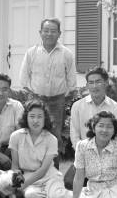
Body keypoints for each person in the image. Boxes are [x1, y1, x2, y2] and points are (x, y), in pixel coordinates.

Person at [19, 18, 76, 154]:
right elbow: (23, 77)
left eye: (53, 31)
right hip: (36, 99)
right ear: (40, 32)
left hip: (57, 100)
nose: (49, 34)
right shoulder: (31, 52)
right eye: (46, 31)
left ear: (59, 33)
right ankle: (32, 164)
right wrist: (32, 95)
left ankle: (54, 168)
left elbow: (72, 79)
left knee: (54, 135)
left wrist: (66, 95)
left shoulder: (66, 53)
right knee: (34, 131)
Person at [64, 67, 117, 189]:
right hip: (84, 156)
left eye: (98, 81)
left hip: (107, 158)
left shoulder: (116, 108)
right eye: (91, 82)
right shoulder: (77, 106)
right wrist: (83, 156)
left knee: (110, 185)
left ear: (106, 83)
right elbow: (74, 135)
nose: (94, 86)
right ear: (87, 85)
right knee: (69, 183)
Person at [8, 99, 72, 198]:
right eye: (32, 116)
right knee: (30, 196)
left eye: (39, 117)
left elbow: (43, 170)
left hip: (49, 176)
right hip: (27, 176)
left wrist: (23, 186)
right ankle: (51, 196)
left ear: (45, 119)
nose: (35, 120)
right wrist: (16, 183)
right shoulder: (15, 136)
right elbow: (15, 165)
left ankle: (83, 194)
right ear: (26, 118)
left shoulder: (51, 139)